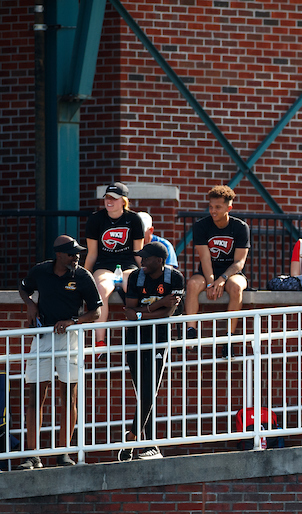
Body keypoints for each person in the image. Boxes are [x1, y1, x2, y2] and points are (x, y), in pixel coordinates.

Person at [16, 235, 103, 469]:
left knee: (68, 396)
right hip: (43, 337)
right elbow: (23, 287)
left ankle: (64, 452)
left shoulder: (82, 275)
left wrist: (73, 321)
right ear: (59, 254)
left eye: (78, 253)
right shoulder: (41, 271)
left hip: (70, 339)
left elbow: (95, 311)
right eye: (72, 253)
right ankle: (32, 455)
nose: (77, 257)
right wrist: (31, 303)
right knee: (36, 396)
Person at [120, 241, 185, 460]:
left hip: (159, 338)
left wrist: (141, 313)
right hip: (135, 337)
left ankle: (134, 438)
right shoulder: (137, 276)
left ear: (159, 261)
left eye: (146, 258)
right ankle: (148, 444)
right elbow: (129, 312)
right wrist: (155, 306)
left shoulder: (175, 278)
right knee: (144, 393)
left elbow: (168, 315)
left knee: (149, 391)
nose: (142, 262)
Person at [184, 185, 250, 354]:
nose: (213, 211)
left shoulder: (241, 227)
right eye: (211, 206)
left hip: (231, 272)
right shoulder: (201, 226)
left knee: (236, 287)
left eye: (218, 207)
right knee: (192, 284)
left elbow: (239, 262)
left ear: (229, 208)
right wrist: (211, 282)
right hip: (208, 272)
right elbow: (205, 258)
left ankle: (229, 338)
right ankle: (191, 332)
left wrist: (222, 279)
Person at [83, 181, 144, 348]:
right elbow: (92, 253)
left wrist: (145, 271)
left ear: (123, 200)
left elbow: (138, 252)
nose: (109, 201)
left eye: (114, 198)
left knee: (134, 286)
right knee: (101, 288)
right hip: (104, 265)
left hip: (128, 265)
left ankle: (139, 335)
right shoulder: (96, 219)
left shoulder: (134, 219)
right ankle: (100, 341)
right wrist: (84, 275)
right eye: (107, 197)